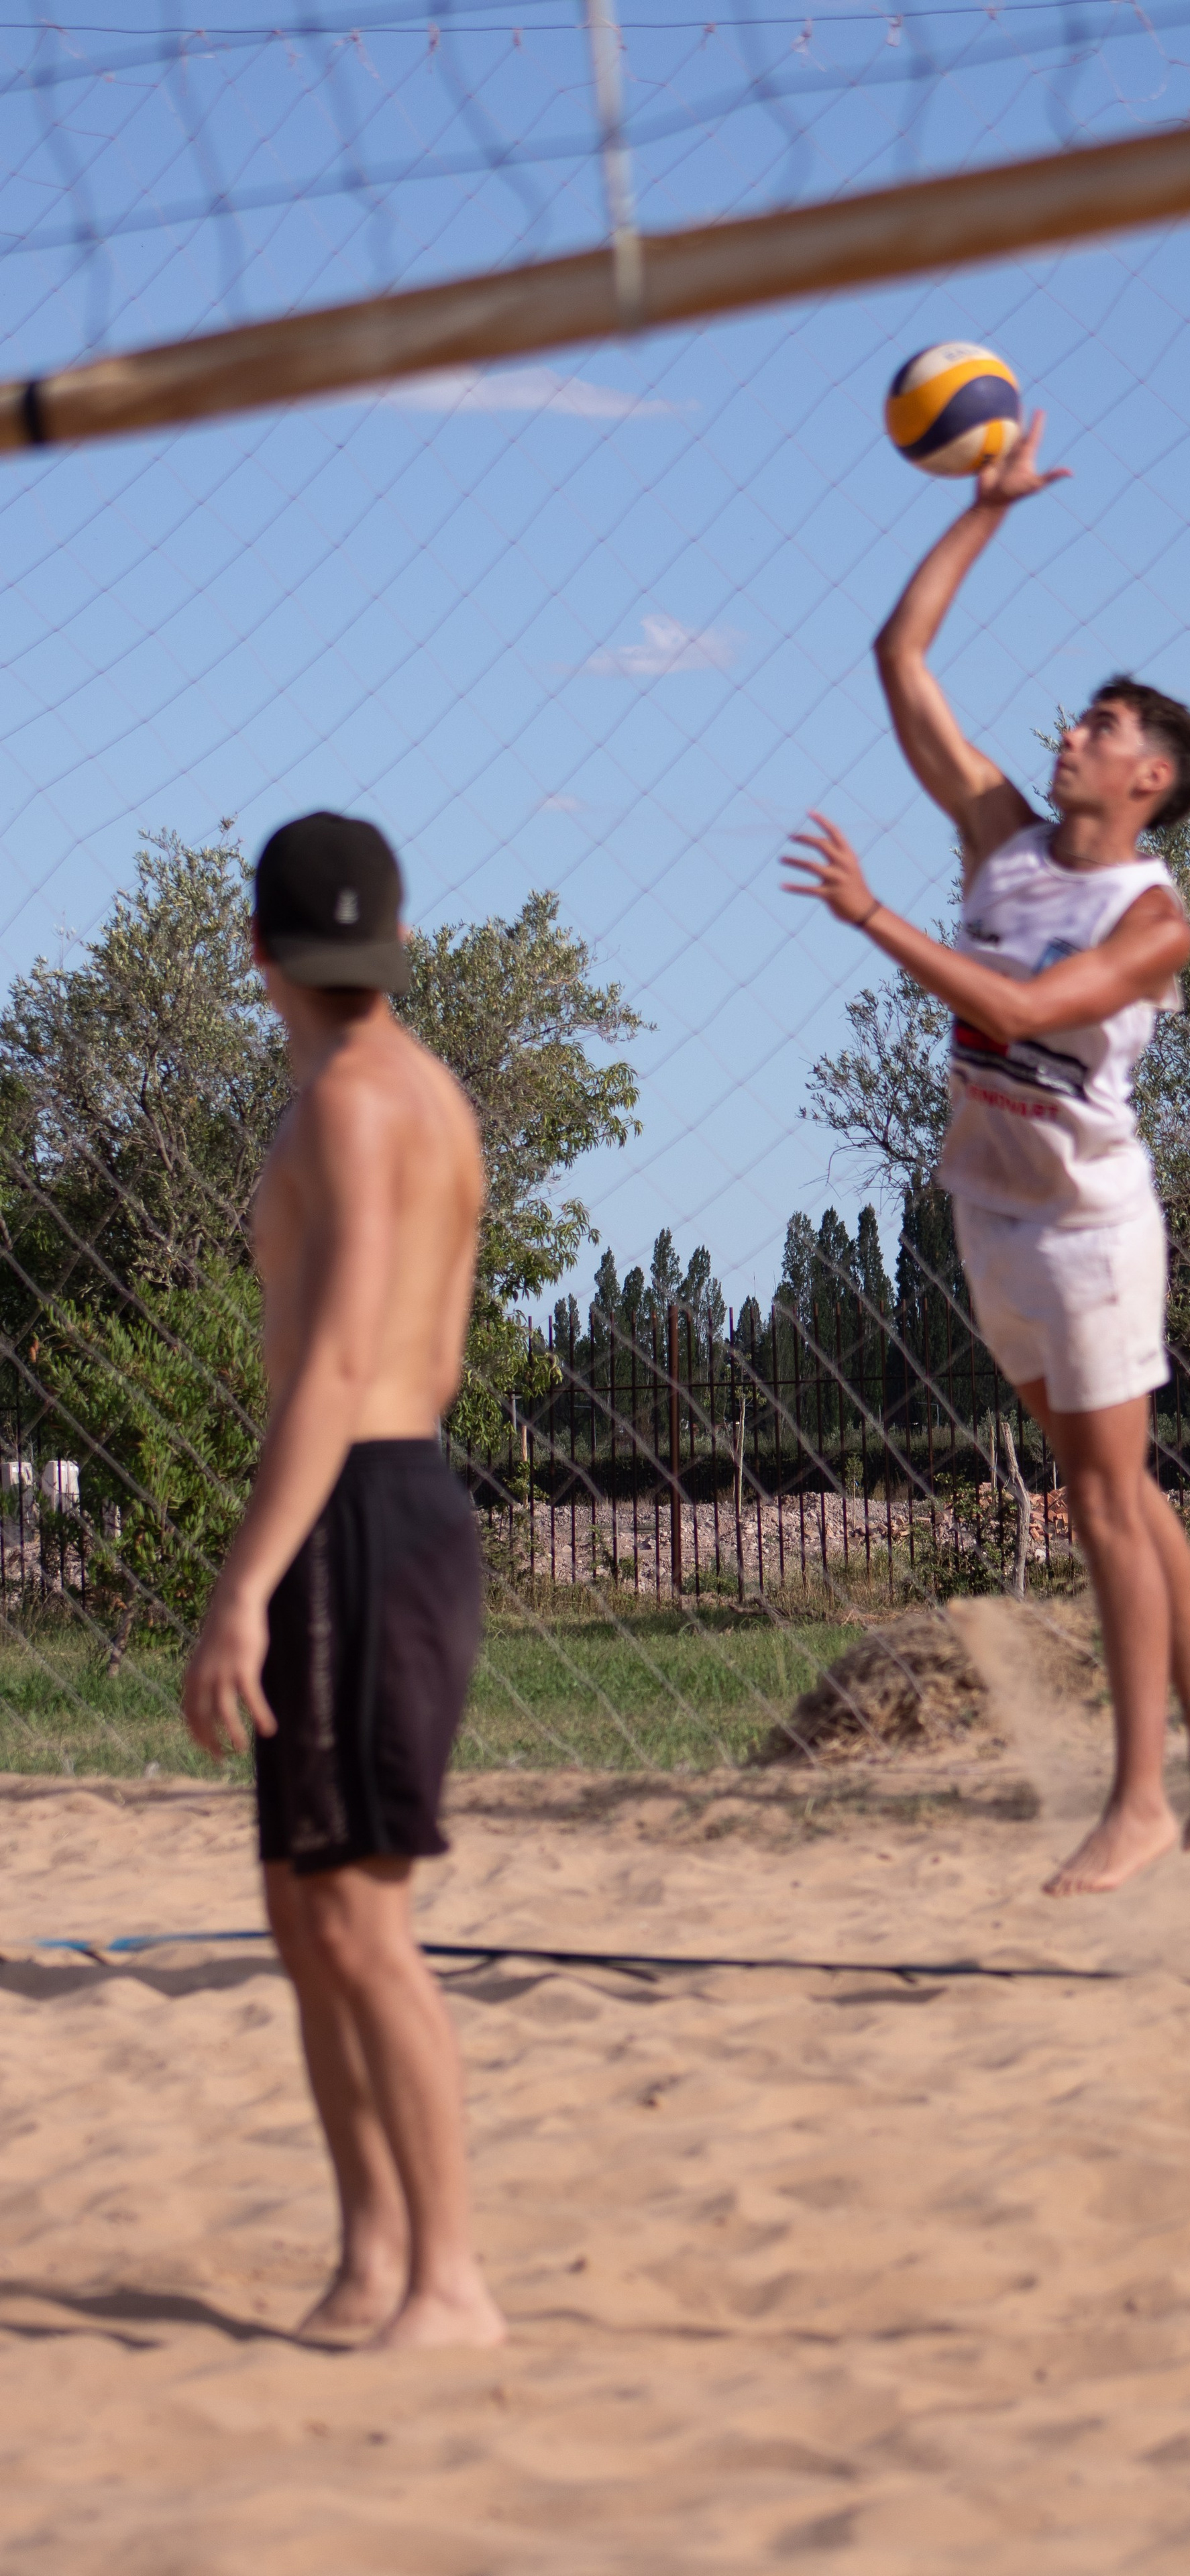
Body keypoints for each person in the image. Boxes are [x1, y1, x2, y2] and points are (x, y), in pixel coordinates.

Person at [783, 416, 1190, 1895]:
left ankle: (1137, 1794)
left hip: (1086, 1229)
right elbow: (898, 658)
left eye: (1107, 730)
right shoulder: (999, 838)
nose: (1073, 732)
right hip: (989, 1210)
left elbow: (1021, 1007)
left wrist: (873, 919)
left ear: (1154, 784)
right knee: (1107, 1490)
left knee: (1103, 1503)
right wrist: (982, 509)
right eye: (1078, 717)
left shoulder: (1152, 919)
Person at [182, 811, 504, 2349]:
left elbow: (338, 1364)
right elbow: (412, 1353)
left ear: (258, 953)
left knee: (363, 1928)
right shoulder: (418, 1089)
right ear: (393, 946)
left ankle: (449, 2278)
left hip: (362, 1515)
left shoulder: (352, 1109)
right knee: (304, 1915)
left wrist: (246, 1583)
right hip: (385, 1501)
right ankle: (372, 2257)